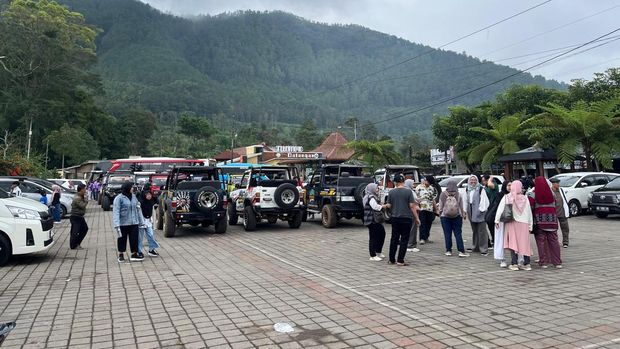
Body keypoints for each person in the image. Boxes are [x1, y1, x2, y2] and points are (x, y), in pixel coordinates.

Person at [495, 180, 533, 271]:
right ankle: (527, 264)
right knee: (525, 243)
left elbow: (500, 209)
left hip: (512, 223)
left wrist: (497, 220)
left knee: (513, 243)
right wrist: (530, 225)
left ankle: (514, 263)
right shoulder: (525, 198)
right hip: (524, 224)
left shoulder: (507, 197)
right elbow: (529, 212)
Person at [385, 175, 421, 266]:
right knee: (404, 240)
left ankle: (391, 259)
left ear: (395, 182)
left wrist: (383, 206)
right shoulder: (408, 192)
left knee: (394, 239)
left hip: (395, 218)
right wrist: (416, 218)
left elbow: (388, 205)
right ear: (403, 182)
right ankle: (400, 260)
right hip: (406, 218)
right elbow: (412, 206)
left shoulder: (391, 192)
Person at [532, 176, 562, 269]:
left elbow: (531, 207)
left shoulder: (533, 194)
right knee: (554, 241)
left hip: (540, 222)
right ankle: (557, 262)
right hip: (552, 221)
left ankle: (544, 262)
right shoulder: (552, 193)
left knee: (541, 242)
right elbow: (556, 204)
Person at [113, 182, 144, 263]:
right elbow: (116, 211)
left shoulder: (134, 197)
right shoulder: (119, 198)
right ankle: (121, 254)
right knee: (122, 239)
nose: (132, 189)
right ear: (127, 188)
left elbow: (138, 209)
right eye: (131, 187)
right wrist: (116, 224)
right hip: (123, 223)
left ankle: (134, 254)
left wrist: (141, 221)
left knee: (134, 239)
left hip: (134, 222)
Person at [438, 180, 469, 257]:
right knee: (458, 234)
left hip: (445, 217)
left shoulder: (443, 194)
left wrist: (440, 213)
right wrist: (463, 214)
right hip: (457, 216)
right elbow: (461, 206)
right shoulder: (458, 194)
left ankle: (448, 250)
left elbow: (440, 206)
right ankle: (461, 251)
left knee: (447, 234)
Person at [486, 181, 511, 267]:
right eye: (508, 185)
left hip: (512, 221)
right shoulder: (500, 195)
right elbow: (497, 208)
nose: (510, 187)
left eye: (511, 185)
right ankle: (502, 259)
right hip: (501, 220)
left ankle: (517, 259)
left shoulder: (515, 195)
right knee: (501, 239)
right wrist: (497, 220)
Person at [465, 175, 490, 256]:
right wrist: (465, 211)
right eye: (471, 180)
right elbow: (466, 200)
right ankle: (475, 246)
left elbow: (484, 200)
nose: (473, 182)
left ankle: (483, 248)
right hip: (471, 211)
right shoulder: (467, 189)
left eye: (474, 180)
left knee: (482, 230)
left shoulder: (481, 189)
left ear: (477, 181)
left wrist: (481, 210)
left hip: (479, 210)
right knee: (474, 230)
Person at [362, 183, 387, 261]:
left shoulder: (371, 196)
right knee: (374, 237)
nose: (377, 190)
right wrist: (383, 206)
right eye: (376, 188)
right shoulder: (371, 197)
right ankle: (372, 255)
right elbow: (375, 207)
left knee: (381, 234)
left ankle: (378, 251)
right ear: (372, 189)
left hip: (375, 220)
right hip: (372, 220)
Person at [137, 183, 160, 257]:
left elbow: (157, 202)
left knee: (151, 235)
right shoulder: (140, 197)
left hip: (148, 219)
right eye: (148, 194)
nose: (149, 195)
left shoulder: (152, 198)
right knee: (140, 237)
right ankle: (139, 251)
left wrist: (155, 195)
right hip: (141, 220)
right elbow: (138, 203)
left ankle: (151, 249)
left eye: (150, 194)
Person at [416, 175, 438, 245]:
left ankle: (426, 237)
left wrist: (436, 209)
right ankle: (422, 238)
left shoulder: (432, 188)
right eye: (427, 181)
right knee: (422, 223)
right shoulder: (419, 187)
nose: (428, 183)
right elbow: (415, 198)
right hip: (421, 208)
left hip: (430, 208)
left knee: (429, 223)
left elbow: (433, 199)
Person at [550, 178, 570, 248]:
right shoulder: (550, 191)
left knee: (565, 228)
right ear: (553, 184)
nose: (558, 184)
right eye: (557, 183)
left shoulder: (561, 190)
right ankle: (555, 242)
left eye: (558, 183)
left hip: (562, 212)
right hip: (554, 213)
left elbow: (565, 200)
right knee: (554, 229)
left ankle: (565, 242)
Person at [69, 184, 89, 250]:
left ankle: (76, 243)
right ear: (81, 189)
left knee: (84, 229)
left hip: (80, 216)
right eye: (84, 189)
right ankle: (74, 245)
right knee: (75, 232)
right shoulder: (77, 198)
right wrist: (86, 199)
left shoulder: (80, 195)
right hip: (75, 217)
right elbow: (82, 206)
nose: (85, 190)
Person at [482, 174, 499, 247]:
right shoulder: (485, 187)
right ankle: (493, 239)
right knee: (490, 224)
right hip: (488, 208)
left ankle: (496, 240)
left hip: (494, 207)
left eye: (484, 180)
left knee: (492, 223)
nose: (483, 182)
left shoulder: (493, 184)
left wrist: (490, 179)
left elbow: (490, 185)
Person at [404, 179, 420, 253]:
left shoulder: (406, 190)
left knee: (409, 228)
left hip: (407, 212)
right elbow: (413, 202)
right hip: (412, 211)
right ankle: (410, 245)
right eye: (412, 184)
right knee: (413, 228)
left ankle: (409, 244)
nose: (413, 185)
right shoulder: (409, 191)